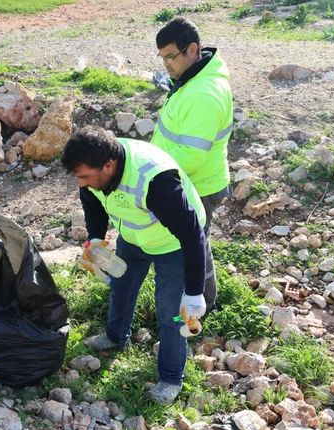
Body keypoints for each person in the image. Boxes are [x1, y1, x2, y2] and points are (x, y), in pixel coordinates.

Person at [62, 126, 207, 405]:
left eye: (85, 177)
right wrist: (96, 240)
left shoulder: (155, 180)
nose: (81, 183)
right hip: (134, 236)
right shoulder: (94, 173)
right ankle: (116, 337)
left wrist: (194, 291)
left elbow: (192, 236)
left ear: (109, 165)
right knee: (122, 286)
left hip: (173, 246)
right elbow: (93, 204)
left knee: (171, 314)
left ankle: (170, 378)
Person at [151, 17, 233, 313]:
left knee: (193, 245)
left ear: (193, 50)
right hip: (188, 181)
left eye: (171, 57)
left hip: (199, 185)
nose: (167, 65)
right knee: (195, 242)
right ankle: (202, 297)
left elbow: (192, 156)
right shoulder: (193, 79)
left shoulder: (205, 94)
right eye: (163, 58)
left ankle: (203, 302)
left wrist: (152, 176)